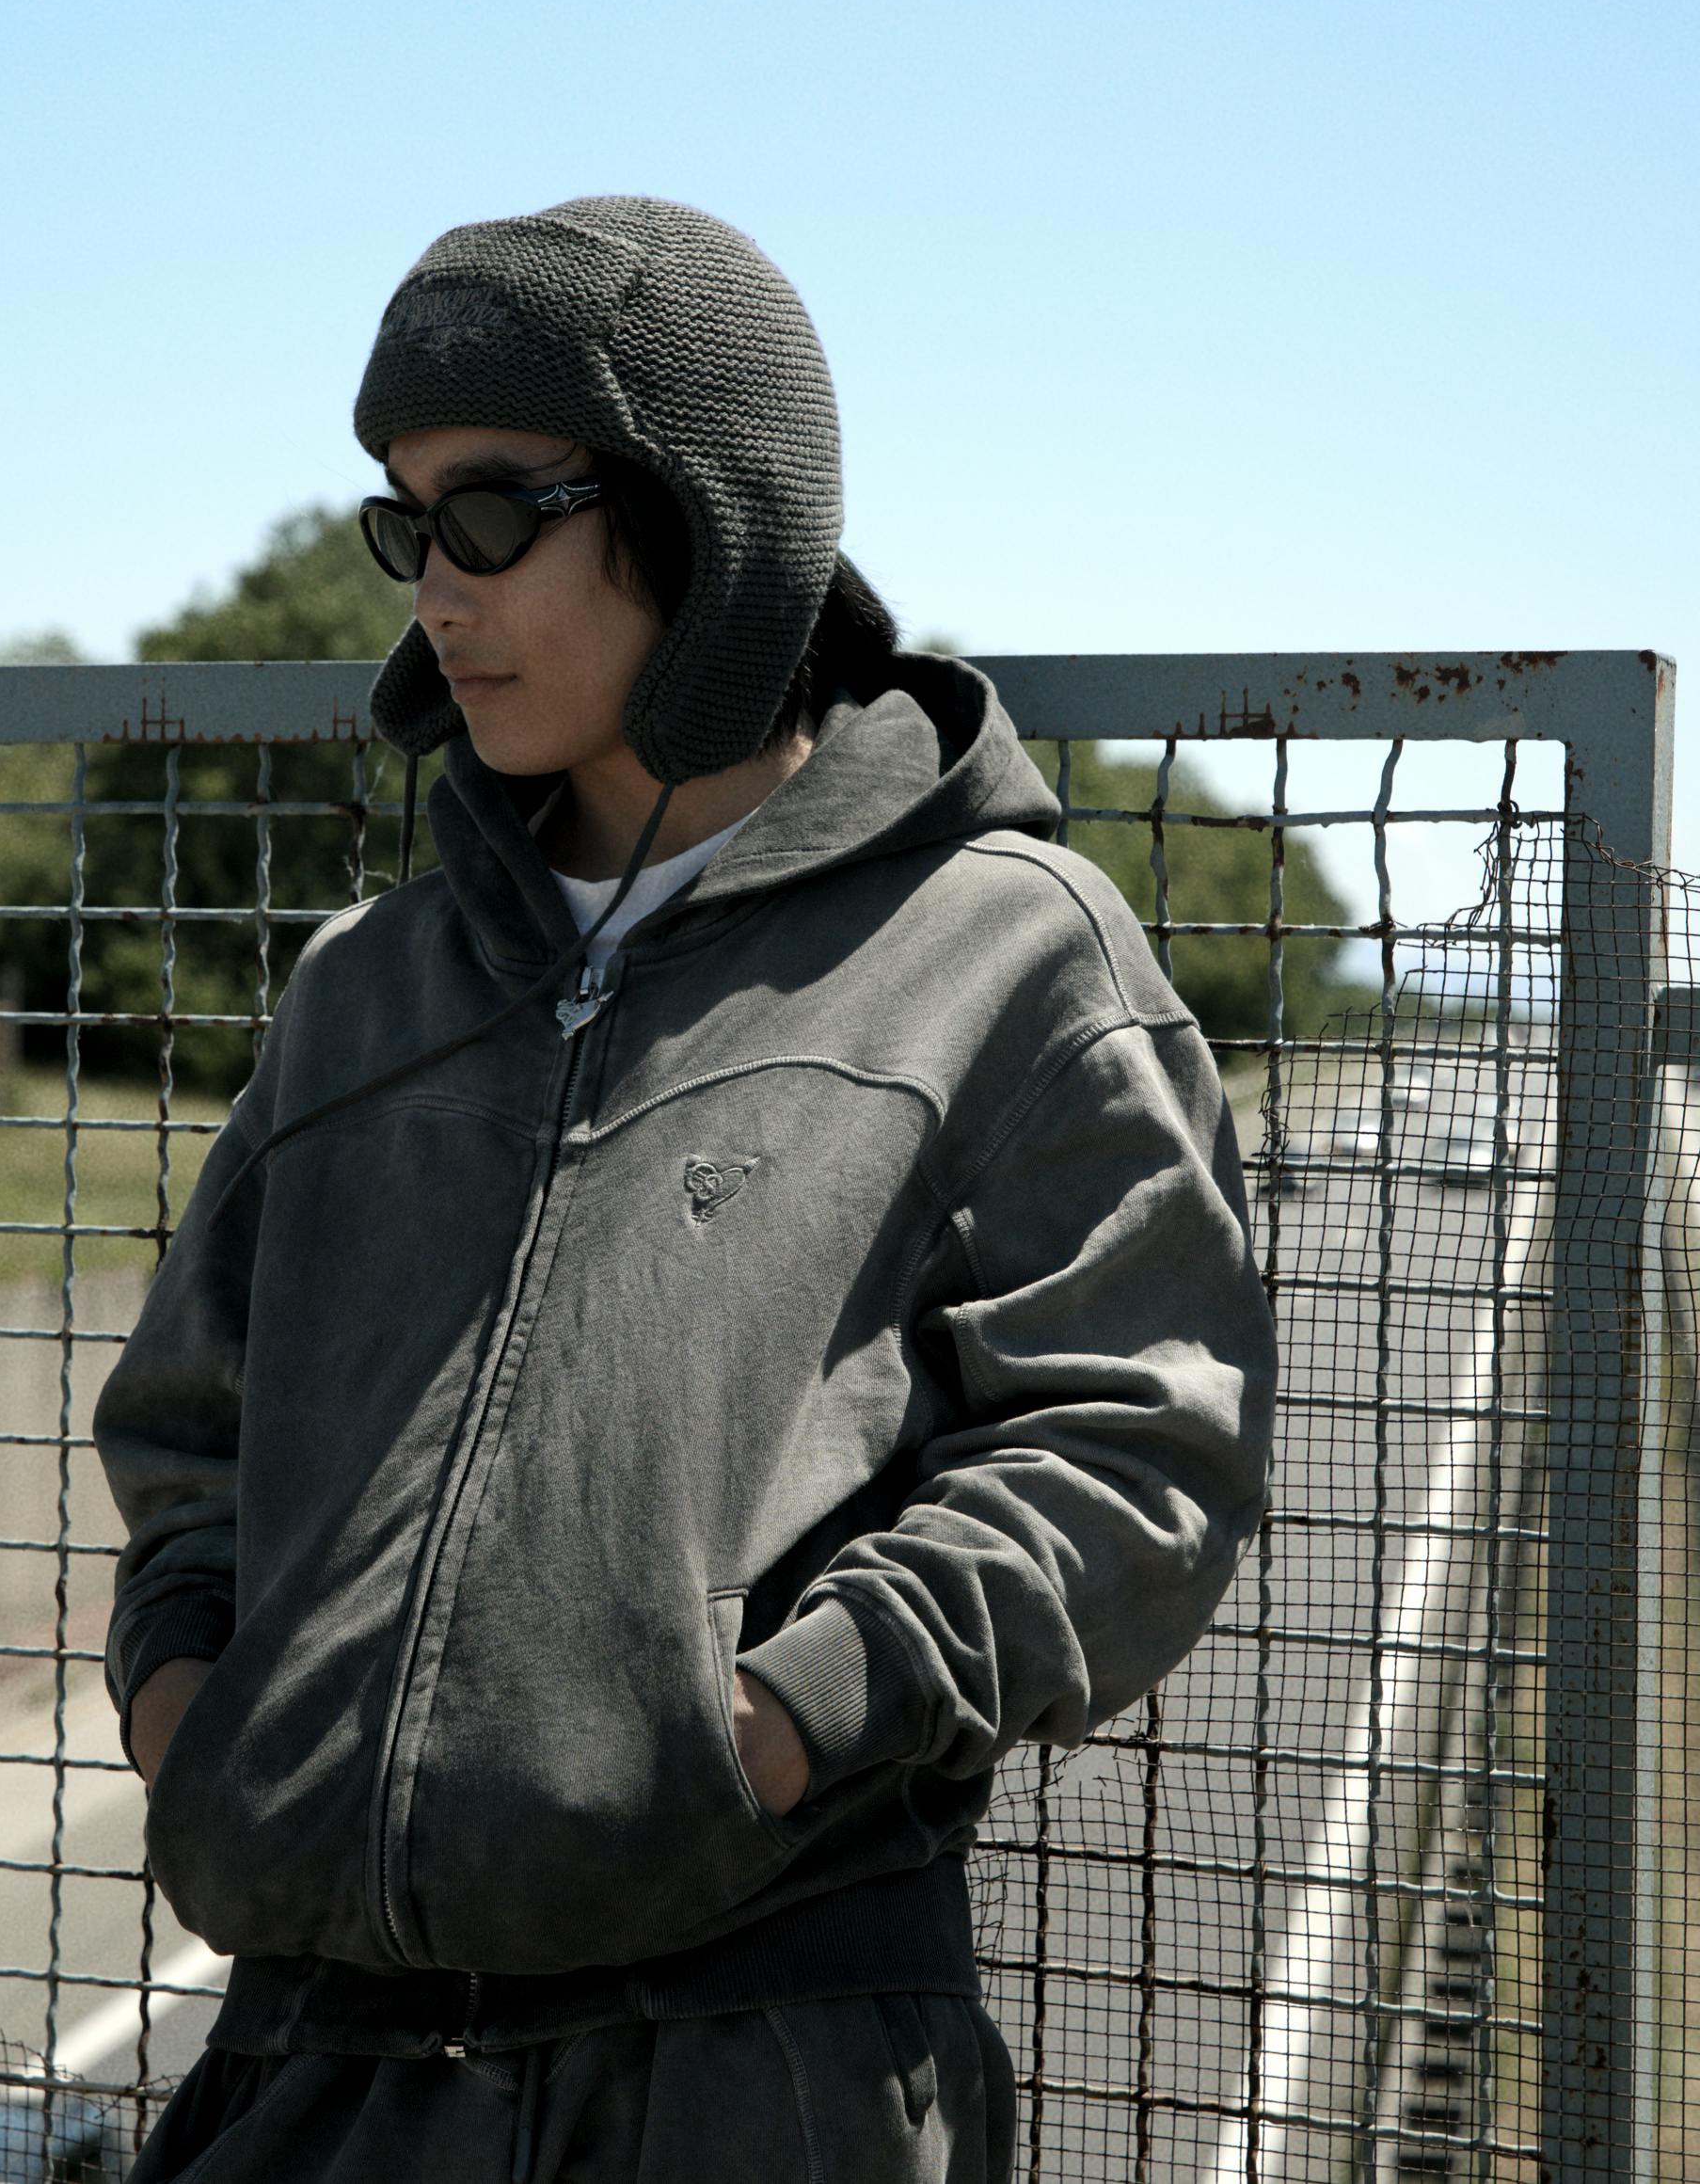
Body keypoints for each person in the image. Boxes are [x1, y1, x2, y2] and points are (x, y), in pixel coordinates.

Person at [93, 196, 1278, 2183]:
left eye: (489, 516)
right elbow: (187, 1441)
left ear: (709, 525)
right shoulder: (367, 988)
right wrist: (187, 1715)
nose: (432, 590)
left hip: (756, 2079)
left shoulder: (1000, 950)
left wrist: (776, 1723)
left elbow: (1136, 1443)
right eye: (405, 523)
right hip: (316, 2071)